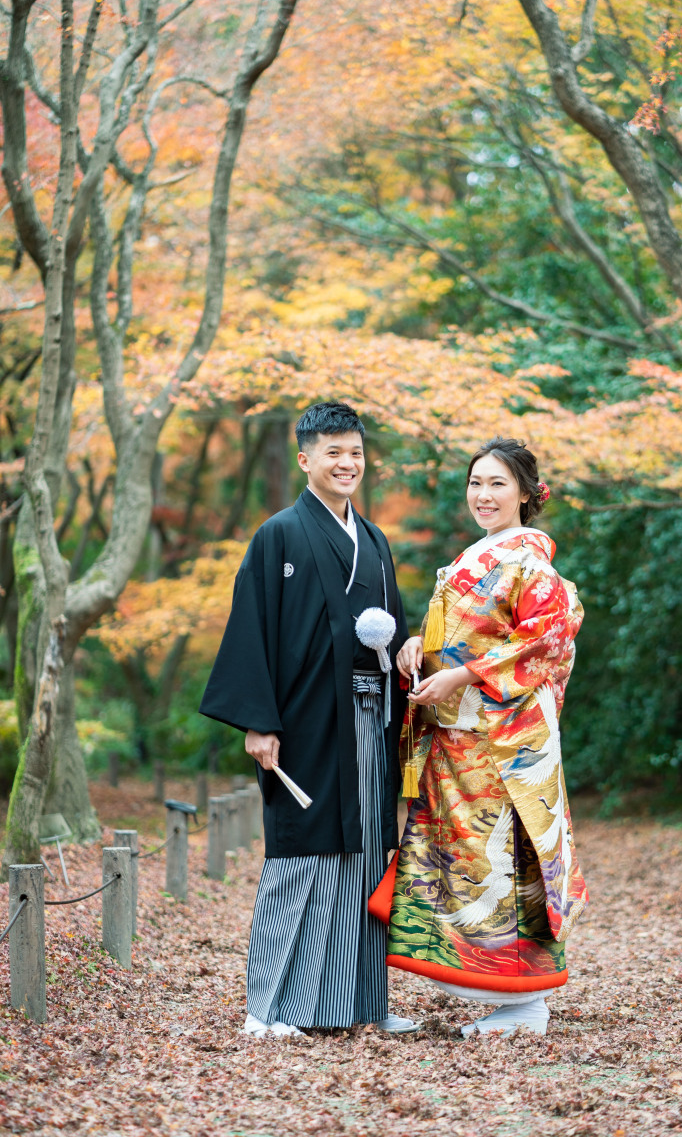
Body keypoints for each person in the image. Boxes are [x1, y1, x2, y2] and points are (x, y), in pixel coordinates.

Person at [200, 401, 419, 1036]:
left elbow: (395, 631)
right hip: (306, 720)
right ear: (305, 459)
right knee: (302, 851)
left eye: (354, 452)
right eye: (333, 452)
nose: (347, 463)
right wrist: (258, 721)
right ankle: (267, 1008)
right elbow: (253, 630)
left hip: (369, 716)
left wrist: (407, 656)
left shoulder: (373, 538)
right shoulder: (280, 534)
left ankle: (361, 1003)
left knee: (366, 851)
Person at [375, 436, 587, 1037]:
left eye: (497, 484)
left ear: (525, 493)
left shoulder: (530, 563)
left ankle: (524, 1004)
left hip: (499, 748)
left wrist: (463, 674)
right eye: (476, 483)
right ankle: (506, 998)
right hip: (458, 746)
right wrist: (420, 645)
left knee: (501, 869)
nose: (483, 495)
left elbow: (546, 642)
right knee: (460, 867)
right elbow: (456, 634)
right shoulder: (477, 557)